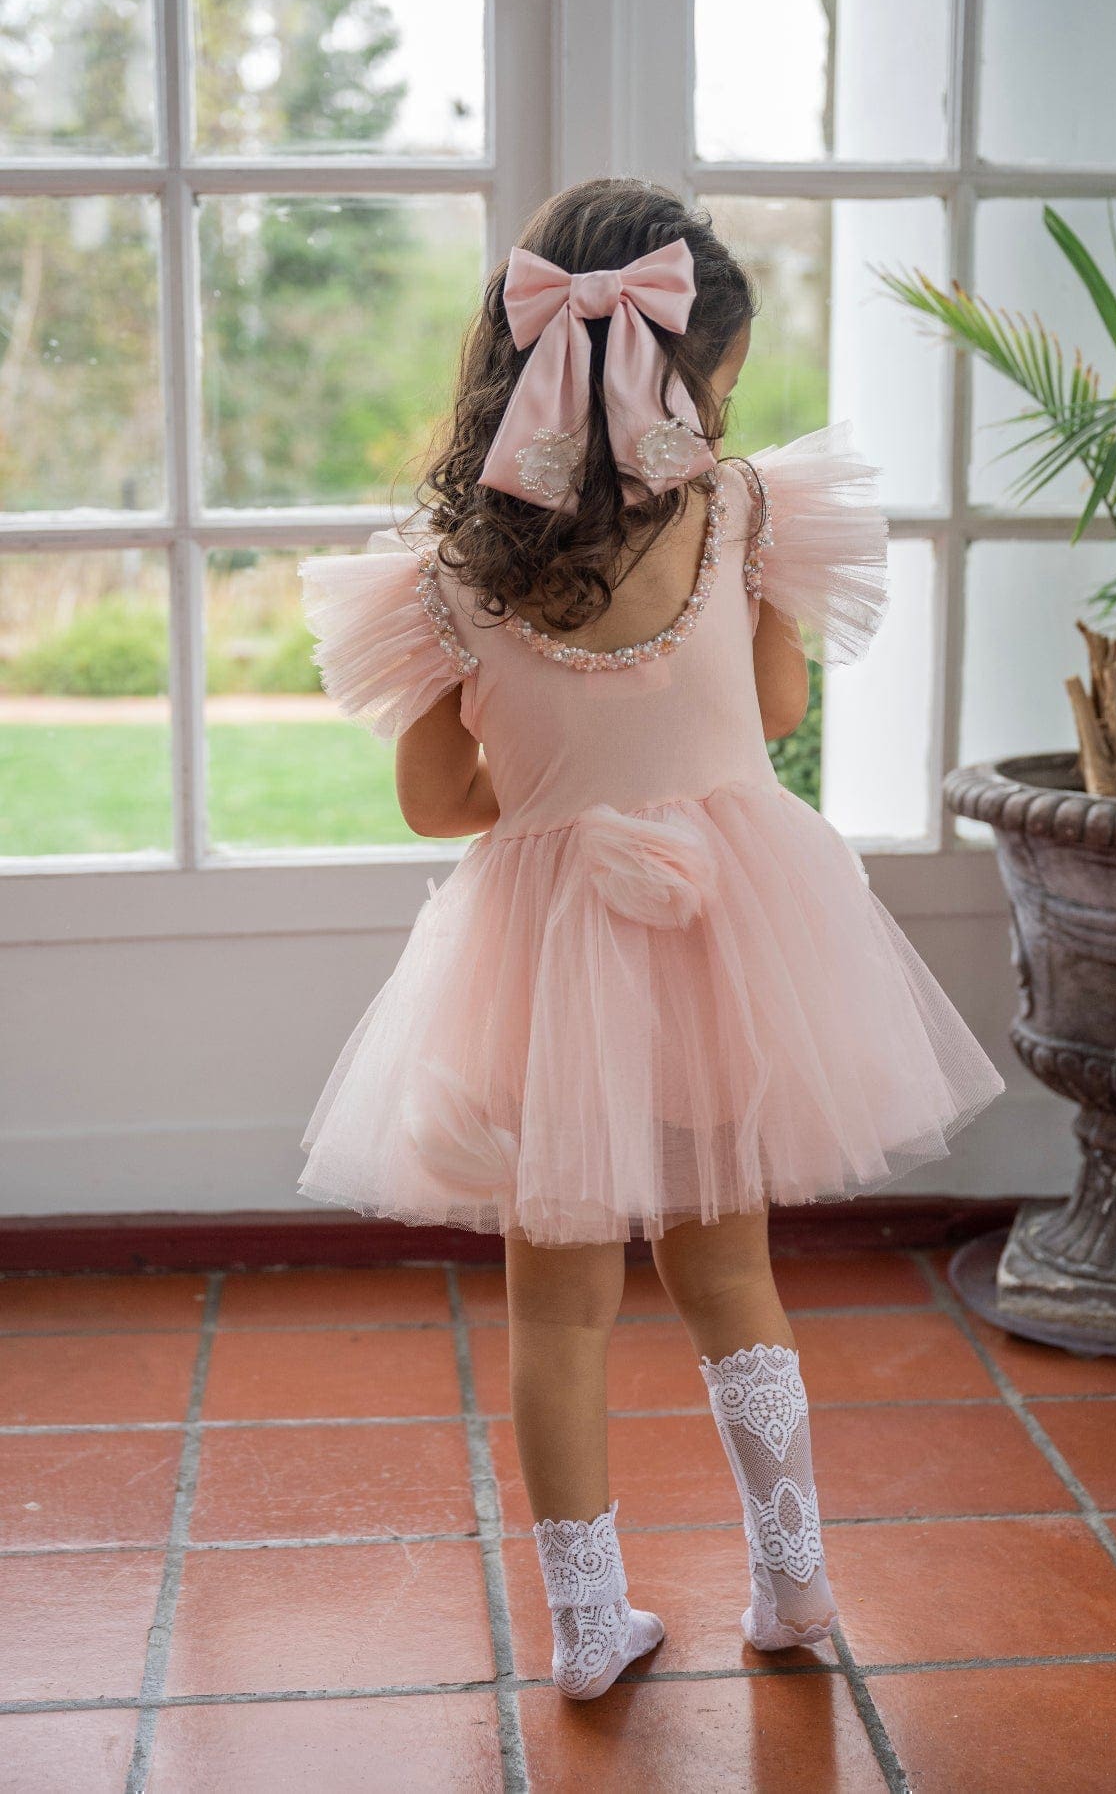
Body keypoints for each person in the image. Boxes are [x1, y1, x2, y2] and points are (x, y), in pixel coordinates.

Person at [296, 178, 1004, 1700]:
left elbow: (434, 803)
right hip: (733, 938)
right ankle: (793, 1580)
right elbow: (779, 710)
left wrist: (554, 793)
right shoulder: (745, 511)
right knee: (731, 1277)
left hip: (547, 964)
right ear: (684, 371)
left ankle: (585, 1624)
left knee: (558, 1312)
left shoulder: (451, 572)